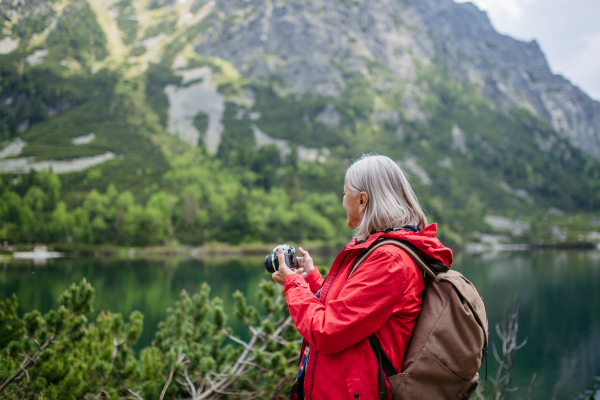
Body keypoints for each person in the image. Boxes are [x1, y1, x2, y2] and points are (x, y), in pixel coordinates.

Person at [272, 154, 454, 400]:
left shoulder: (389, 260)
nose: (342, 201)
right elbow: (352, 310)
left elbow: (327, 331)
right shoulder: (380, 250)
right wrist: (312, 280)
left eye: (344, 193)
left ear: (361, 200)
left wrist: (293, 284)